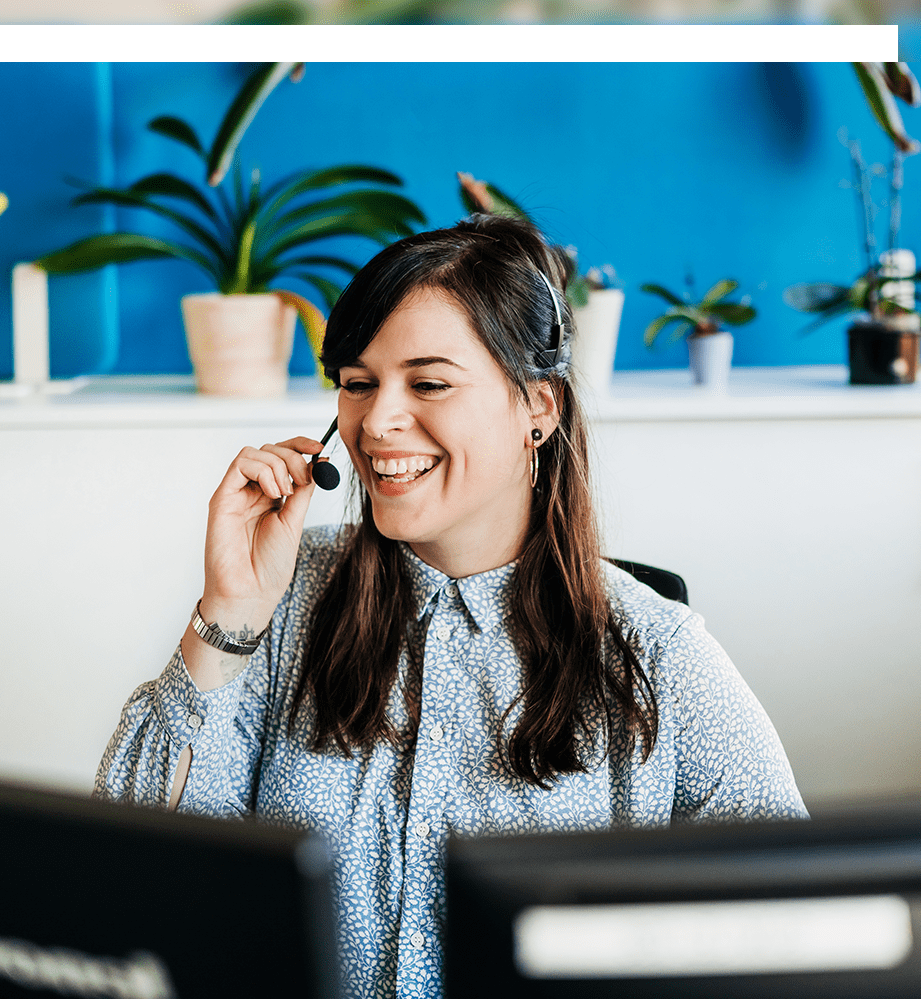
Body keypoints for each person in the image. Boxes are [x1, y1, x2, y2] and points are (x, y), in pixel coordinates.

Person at [96, 214, 807, 999]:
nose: (377, 422)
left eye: (428, 382)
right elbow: (131, 884)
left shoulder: (655, 652)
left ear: (537, 405)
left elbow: (787, 930)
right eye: (357, 383)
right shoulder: (285, 599)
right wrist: (230, 615)